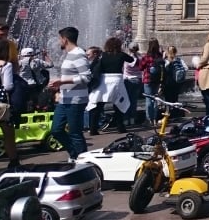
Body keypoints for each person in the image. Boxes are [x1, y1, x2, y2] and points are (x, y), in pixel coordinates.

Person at [48, 27, 92, 164]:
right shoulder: (69, 54)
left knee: (75, 133)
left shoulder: (78, 54)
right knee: (56, 130)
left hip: (76, 99)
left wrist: (62, 81)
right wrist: (59, 87)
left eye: (59, 39)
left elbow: (87, 77)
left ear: (65, 39)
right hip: (65, 98)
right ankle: (75, 154)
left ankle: (85, 162)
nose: (58, 42)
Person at [87, 36, 133, 135]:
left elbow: (92, 66)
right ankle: (120, 127)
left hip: (104, 80)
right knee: (119, 104)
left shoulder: (102, 55)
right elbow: (131, 59)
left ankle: (93, 129)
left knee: (97, 104)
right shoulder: (121, 55)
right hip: (117, 80)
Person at [0, 39, 21, 169]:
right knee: (8, 133)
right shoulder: (6, 65)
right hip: (1, 105)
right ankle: (13, 160)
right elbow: (8, 86)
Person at [137, 40, 164, 125]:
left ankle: (149, 120)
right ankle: (155, 119)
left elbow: (141, 67)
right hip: (157, 80)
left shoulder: (146, 56)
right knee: (155, 99)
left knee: (148, 99)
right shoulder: (159, 56)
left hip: (147, 79)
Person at [19, 47, 52, 112]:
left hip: (26, 85)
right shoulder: (37, 61)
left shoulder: (20, 62)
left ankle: (29, 109)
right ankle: (39, 107)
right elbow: (50, 64)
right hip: (38, 84)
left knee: (29, 99)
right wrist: (45, 55)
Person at [122, 43, 143, 126]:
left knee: (126, 100)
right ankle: (132, 119)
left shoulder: (127, 58)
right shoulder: (141, 57)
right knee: (133, 101)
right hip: (138, 80)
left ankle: (126, 119)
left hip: (128, 80)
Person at [162, 46, 188, 115]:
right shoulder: (179, 60)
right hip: (176, 82)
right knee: (175, 98)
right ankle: (175, 112)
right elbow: (186, 68)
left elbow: (163, 69)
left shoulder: (166, 61)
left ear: (167, 52)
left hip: (167, 83)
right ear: (175, 52)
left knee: (167, 100)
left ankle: (168, 113)